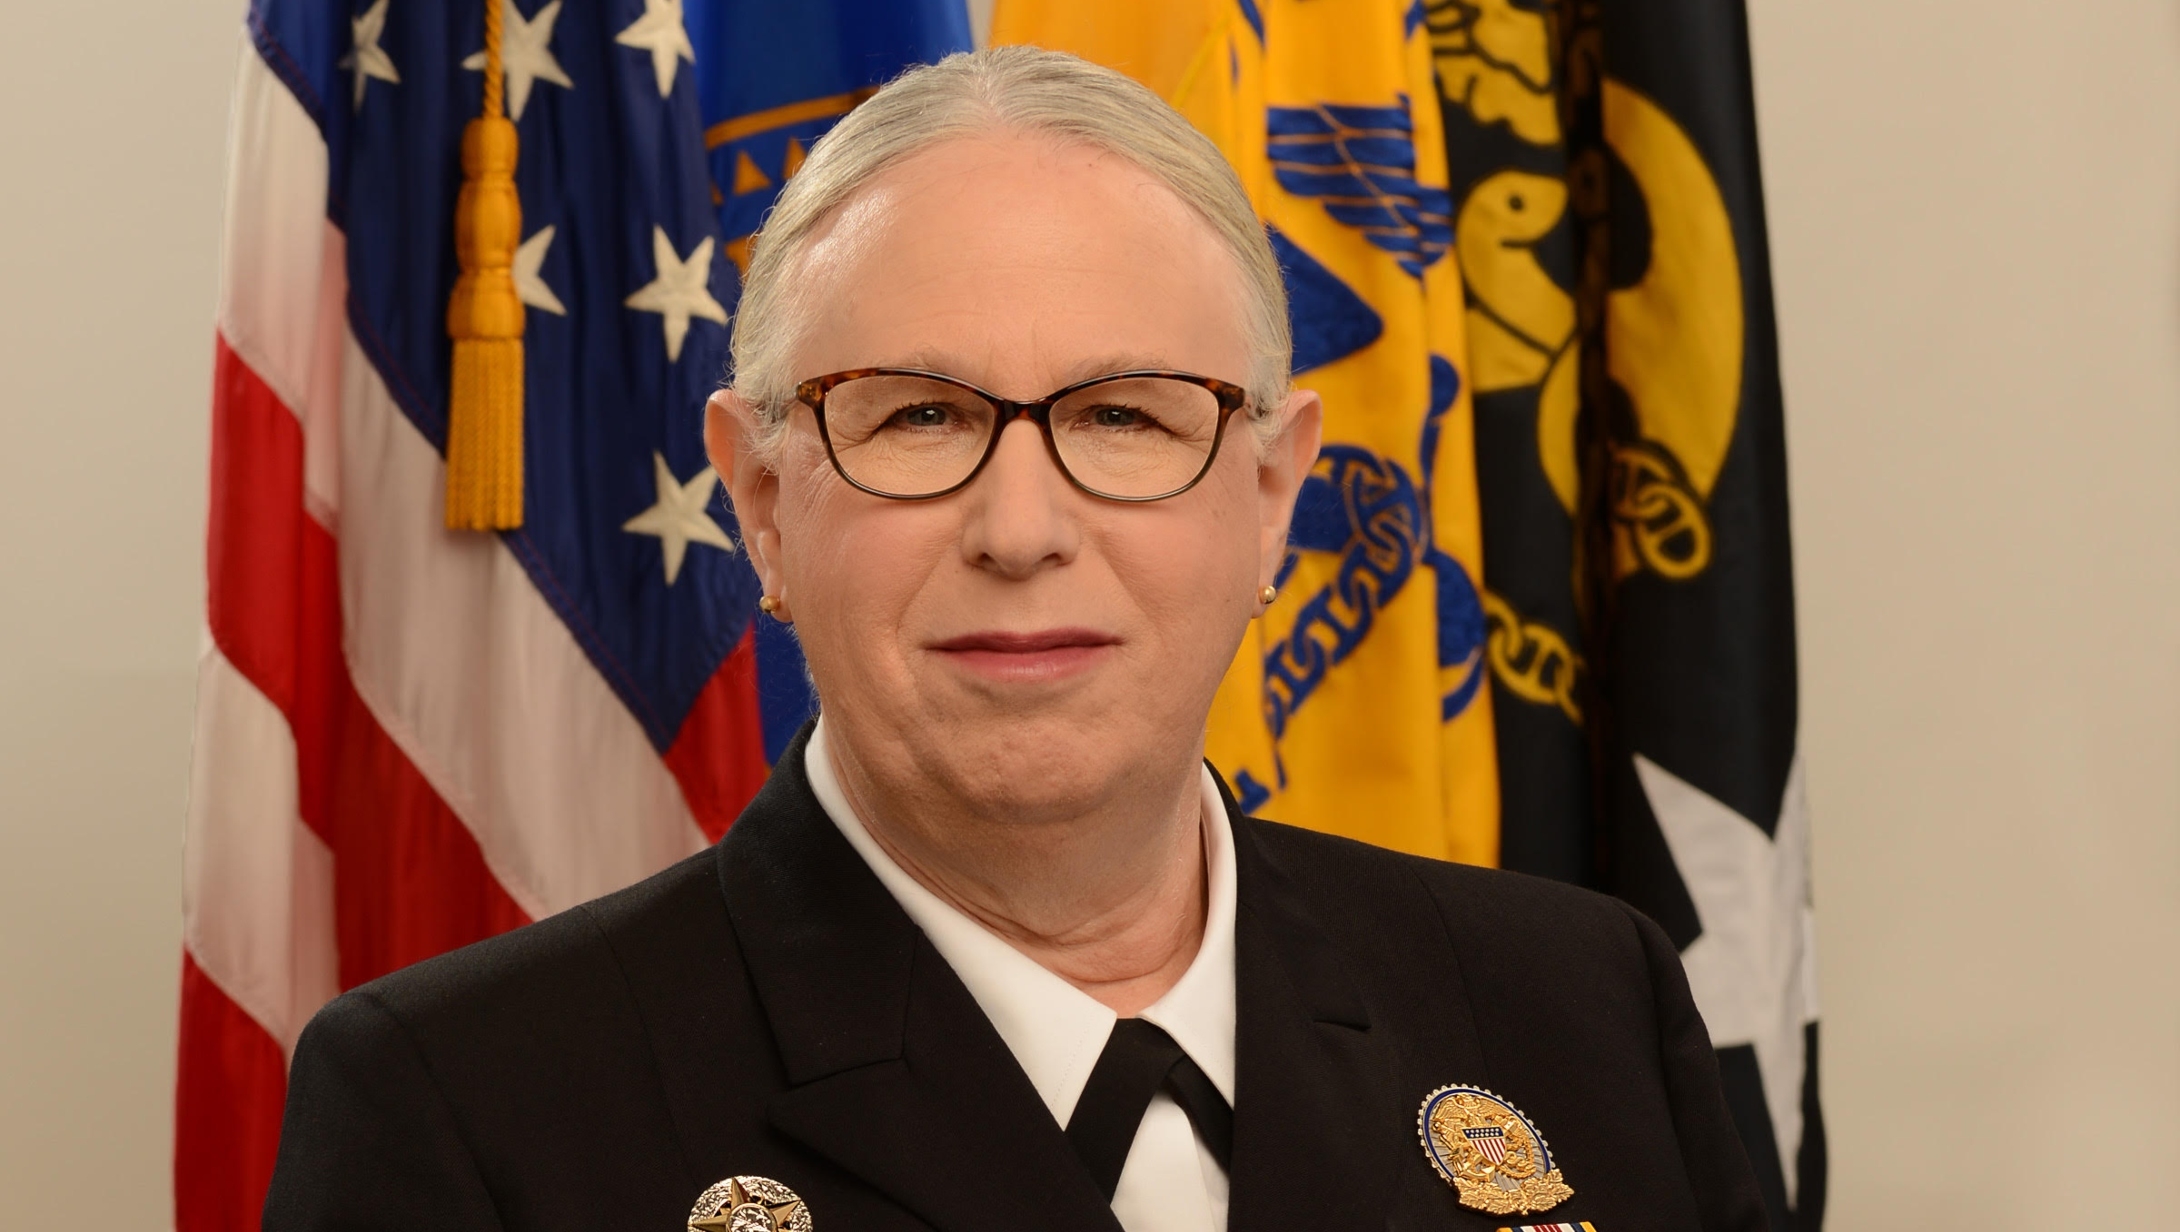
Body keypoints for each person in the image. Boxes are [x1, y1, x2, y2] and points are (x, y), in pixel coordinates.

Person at [264, 46, 1765, 1232]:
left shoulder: (1581, 1010)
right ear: (764, 504)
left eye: (1124, 416)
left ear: (1269, 498)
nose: (1023, 526)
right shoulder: (472, 1111)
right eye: (920, 416)